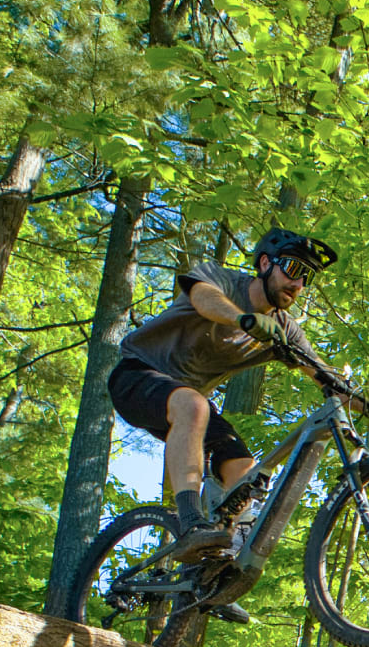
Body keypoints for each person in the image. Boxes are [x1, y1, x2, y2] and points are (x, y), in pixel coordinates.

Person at [107, 227, 338, 563]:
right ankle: (190, 524)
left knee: (247, 475)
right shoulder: (224, 281)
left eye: (307, 278)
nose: (298, 284)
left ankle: (216, 570)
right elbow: (204, 298)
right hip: (136, 376)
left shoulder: (285, 329)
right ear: (264, 263)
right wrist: (243, 319)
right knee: (195, 406)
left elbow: (321, 372)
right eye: (292, 269)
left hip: (187, 406)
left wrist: (365, 404)